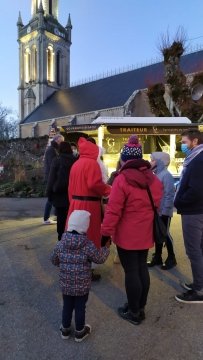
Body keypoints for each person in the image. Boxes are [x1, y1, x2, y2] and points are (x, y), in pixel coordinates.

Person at [101, 135, 163, 325]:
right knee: (142, 268)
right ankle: (140, 306)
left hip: (127, 235)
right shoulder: (153, 179)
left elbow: (113, 210)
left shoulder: (121, 180)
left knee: (132, 272)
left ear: (124, 159)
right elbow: (157, 205)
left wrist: (105, 233)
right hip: (145, 233)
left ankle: (134, 312)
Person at [51, 210, 110, 342]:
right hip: (82, 285)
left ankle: (65, 330)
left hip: (66, 284)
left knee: (67, 305)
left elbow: (53, 260)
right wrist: (106, 248)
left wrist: (63, 263)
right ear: (85, 227)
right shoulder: (87, 245)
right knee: (80, 307)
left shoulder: (60, 244)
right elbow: (99, 259)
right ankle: (79, 332)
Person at [65, 137, 111, 281]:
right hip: (89, 206)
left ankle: (74, 266)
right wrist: (108, 189)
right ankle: (87, 270)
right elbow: (94, 184)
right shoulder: (92, 164)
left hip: (75, 204)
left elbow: (70, 188)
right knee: (89, 237)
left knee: (75, 235)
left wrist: (73, 203)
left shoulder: (76, 164)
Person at [174, 129, 203, 303]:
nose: (183, 145)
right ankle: (199, 282)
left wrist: (179, 201)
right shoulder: (196, 158)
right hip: (198, 210)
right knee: (199, 249)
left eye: (184, 142)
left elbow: (196, 190)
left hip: (194, 212)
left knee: (194, 251)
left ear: (194, 141)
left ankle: (198, 290)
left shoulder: (198, 160)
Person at [147, 152, 177, 270]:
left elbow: (169, 194)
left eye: (153, 160)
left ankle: (171, 257)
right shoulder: (155, 175)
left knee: (165, 233)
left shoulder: (166, 175)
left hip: (164, 211)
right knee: (157, 233)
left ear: (160, 162)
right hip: (156, 211)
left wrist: (165, 211)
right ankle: (158, 256)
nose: (150, 162)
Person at [46, 141, 75, 240]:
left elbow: (51, 179)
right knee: (71, 217)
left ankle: (61, 239)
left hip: (59, 194)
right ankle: (71, 238)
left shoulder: (56, 160)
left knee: (61, 218)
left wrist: (49, 193)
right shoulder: (75, 160)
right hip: (73, 194)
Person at [43, 134, 64, 224]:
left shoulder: (53, 149)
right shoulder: (52, 150)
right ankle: (46, 218)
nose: (61, 143)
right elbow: (53, 164)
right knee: (51, 198)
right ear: (56, 140)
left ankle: (53, 216)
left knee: (53, 197)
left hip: (51, 176)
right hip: (52, 177)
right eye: (61, 141)